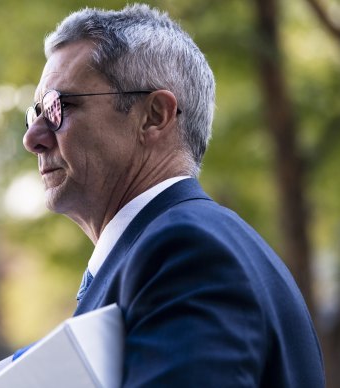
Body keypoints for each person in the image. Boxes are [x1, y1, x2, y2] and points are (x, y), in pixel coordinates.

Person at [21, 3, 325, 387]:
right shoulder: (173, 248)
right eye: (34, 115)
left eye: (57, 107)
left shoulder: (185, 252)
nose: (33, 138)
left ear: (154, 115)